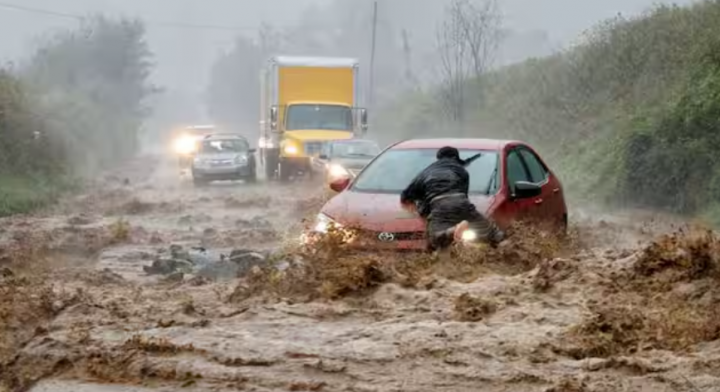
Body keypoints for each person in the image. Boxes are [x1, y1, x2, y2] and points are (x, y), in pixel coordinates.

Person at [400, 146, 504, 251]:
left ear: (438, 158)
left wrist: (419, 212)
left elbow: (405, 196)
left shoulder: (425, 173)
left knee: (435, 239)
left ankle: (453, 231)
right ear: (455, 157)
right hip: (462, 203)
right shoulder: (462, 171)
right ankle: (508, 247)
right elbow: (464, 195)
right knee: (492, 232)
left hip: (440, 206)